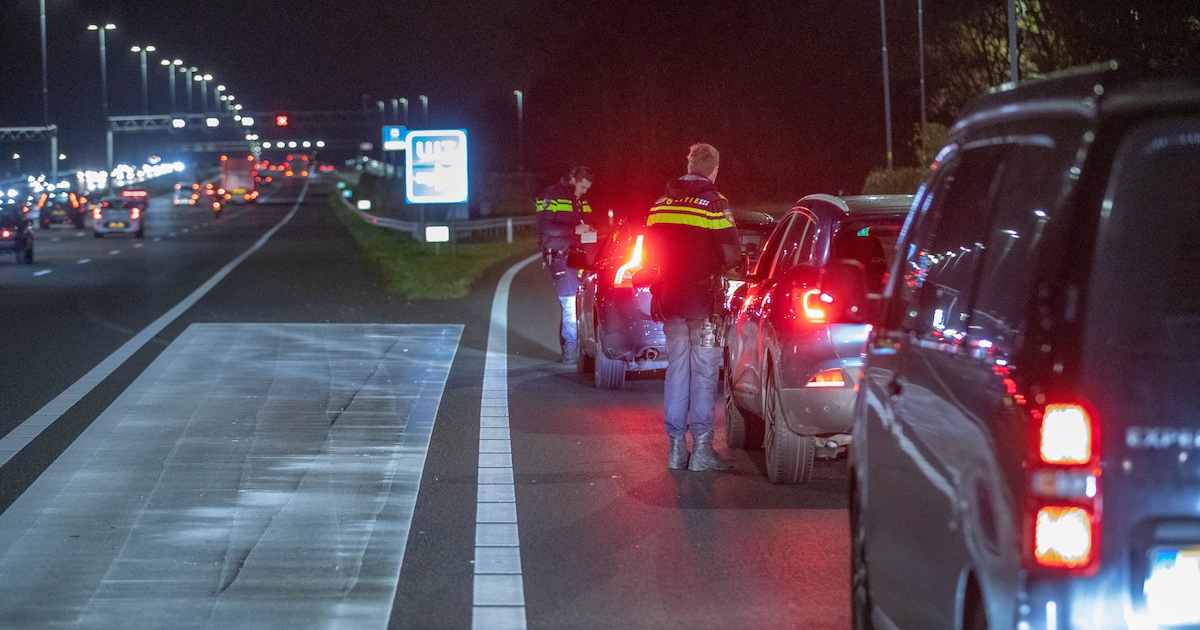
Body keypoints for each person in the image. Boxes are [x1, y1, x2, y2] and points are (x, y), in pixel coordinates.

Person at [644, 144, 741, 471]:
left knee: (676, 370)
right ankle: (701, 451)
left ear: (688, 165)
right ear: (714, 169)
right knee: (702, 374)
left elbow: (649, 254)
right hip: (703, 303)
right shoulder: (715, 204)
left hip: (669, 299)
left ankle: (675, 450)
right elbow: (731, 255)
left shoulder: (660, 203)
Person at [535, 166, 594, 363]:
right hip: (559, 255)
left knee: (578, 301)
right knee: (569, 303)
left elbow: (586, 220)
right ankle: (571, 352)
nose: (585, 191)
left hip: (577, 256)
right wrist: (574, 230)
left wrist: (588, 228)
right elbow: (545, 227)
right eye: (583, 186)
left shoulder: (580, 199)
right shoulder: (551, 196)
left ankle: (577, 348)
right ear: (573, 180)